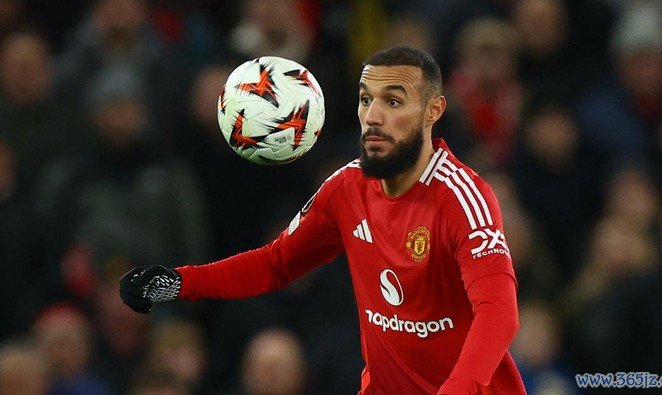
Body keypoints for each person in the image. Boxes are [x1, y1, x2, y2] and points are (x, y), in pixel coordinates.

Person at [119, 46, 525, 394]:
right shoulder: (347, 188)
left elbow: (498, 313)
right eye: (367, 100)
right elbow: (276, 263)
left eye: (394, 101)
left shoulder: (461, 197)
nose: (374, 116)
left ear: (433, 111)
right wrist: (180, 282)